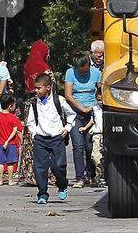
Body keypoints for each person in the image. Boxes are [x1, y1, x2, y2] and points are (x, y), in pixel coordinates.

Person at [26, 73, 76, 204]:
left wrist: (67, 128)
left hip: (56, 138)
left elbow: (71, 114)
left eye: (39, 88)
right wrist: (34, 133)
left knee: (58, 166)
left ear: (48, 87)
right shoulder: (34, 103)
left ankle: (62, 185)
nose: (36, 90)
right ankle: (42, 194)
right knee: (40, 167)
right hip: (40, 139)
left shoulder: (58, 100)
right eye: (35, 88)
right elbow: (30, 121)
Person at [18, 40, 52, 185]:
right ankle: (45, 174)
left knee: (31, 137)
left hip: (29, 105)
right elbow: (52, 89)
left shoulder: (27, 66)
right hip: (44, 107)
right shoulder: (45, 69)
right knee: (46, 137)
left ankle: (29, 175)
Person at [64, 52, 100, 187]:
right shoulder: (70, 73)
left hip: (92, 113)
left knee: (90, 146)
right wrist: (82, 108)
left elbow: (101, 90)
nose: (85, 72)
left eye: (87, 69)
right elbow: (68, 95)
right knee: (78, 146)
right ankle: (80, 177)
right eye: (82, 70)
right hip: (76, 113)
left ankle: (92, 175)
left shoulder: (96, 72)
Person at [0, 94, 23, 186]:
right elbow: (18, 130)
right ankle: (10, 180)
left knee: (0, 162)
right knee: (10, 163)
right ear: (10, 106)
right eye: (14, 105)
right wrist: (22, 141)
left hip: (0, 142)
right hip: (11, 143)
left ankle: (0, 180)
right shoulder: (13, 117)